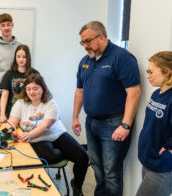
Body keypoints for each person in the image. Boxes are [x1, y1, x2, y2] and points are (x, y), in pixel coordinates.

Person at [72, 21, 141, 196]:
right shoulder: (85, 61)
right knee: (97, 168)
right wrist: (75, 117)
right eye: (83, 43)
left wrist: (125, 125)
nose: (85, 46)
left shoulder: (122, 58)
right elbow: (79, 91)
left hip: (114, 124)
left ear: (101, 36)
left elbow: (134, 92)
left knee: (112, 173)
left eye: (88, 41)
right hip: (91, 122)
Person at [8, 74, 89, 196]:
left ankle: (76, 186)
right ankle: (62, 152)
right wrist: (10, 128)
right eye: (28, 88)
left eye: (35, 88)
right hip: (37, 139)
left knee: (83, 156)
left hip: (56, 134)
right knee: (53, 157)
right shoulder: (20, 103)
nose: (31, 92)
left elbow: (45, 126)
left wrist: (28, 135)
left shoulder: (51, 104)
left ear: (43, 89)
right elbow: (12, 122)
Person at [136, 51, 172, 196]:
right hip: (149, 163)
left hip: (163, 171)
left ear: (167, 72)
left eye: (151, 72)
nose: (147, 76)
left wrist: (170, 144)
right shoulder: (157, 94)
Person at [0, 44, 39, 123]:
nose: (21, 59)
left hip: (30, 114)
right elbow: (4, 96)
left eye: (24, 57)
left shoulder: (35, 74)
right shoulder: (9, 74)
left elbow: (39, 95)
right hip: (12, 114)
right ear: (15, 57)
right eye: (18, 56)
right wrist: (2, 115)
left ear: (28, 58)